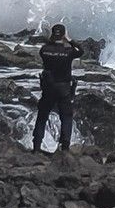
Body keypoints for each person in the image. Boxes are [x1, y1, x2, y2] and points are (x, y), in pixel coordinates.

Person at [32, 23, 83, 154]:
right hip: (64, 88)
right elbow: (81, 51)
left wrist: (53, 39)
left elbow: (47, 47)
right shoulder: (68, 52)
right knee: (66, 116)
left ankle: (36, 146)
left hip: (48, 88)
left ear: (52, 35)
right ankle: (64, 147)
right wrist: (70, 40)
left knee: (42, 116)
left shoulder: (44, 50)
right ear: (64, 35)